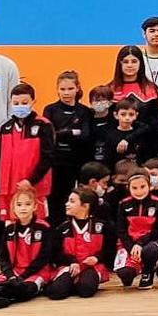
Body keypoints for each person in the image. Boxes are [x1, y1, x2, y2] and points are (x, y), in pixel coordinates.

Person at [0, 83, 54, 223]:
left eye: (24, 102)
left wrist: (31, 180)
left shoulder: (43, 125)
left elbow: (48, 156)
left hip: (35, 187)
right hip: (11, 188)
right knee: (14, 225)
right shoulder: (6, 127)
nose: (20, 106)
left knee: (37, 224)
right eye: (16, 103)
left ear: (33, 101)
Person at [41, 71, 93, 225]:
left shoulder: (84, 111)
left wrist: (64, 133)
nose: (66, 93)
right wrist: (72, 132)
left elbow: (85, 136)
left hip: (78, 162)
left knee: (79, 200)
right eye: (62, 89)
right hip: (57, 164)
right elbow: (50, 136)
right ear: (57, 89)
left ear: (77, 89)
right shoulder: (50, 109)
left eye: (70, 89)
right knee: (57, 201)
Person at [45, 187, 115, 300]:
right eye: (68, 200)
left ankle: (78, 282)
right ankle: (69, 283)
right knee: (55, 293)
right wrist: (71, 262)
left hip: (92, 267)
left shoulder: (102, 227)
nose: (67, 204)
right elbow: (55, 254)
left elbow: (110, 250)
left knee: (86, 290)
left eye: (72, 201)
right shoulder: (62, 228)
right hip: (69, 266)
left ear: (85, 206)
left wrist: (97, 258)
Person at [113, 169, 158, 289]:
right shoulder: (123, 204)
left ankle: (147, 272)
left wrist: (140, 243)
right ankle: (133, 269)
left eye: (142, 186)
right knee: (125, 274)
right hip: (129, 244)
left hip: (149, 242)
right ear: (129, 188)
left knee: (150, 250)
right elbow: (121, 230)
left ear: (150, 186)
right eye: (134, 188)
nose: (139, 191)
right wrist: (131, 247)